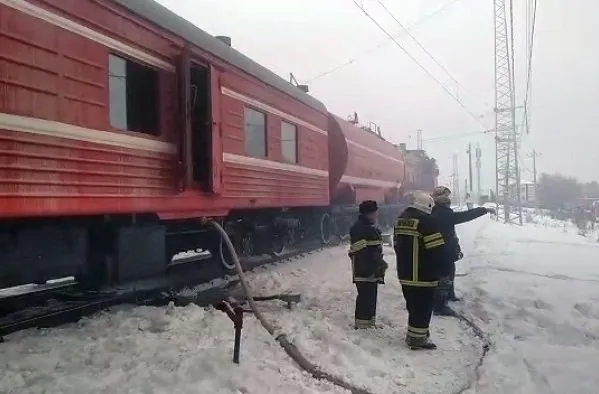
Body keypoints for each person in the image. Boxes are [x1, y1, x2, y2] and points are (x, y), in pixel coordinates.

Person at [430, 186, 495, 315]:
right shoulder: (442, 212)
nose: (448, 199)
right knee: (445, 276)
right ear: (441, 198)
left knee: (450, 272)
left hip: (444, 249)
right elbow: (465, 216)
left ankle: (448, 295)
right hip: (442, 250)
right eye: (446, 196)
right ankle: (440, 306)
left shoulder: (438, 211)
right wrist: (483, 210)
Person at [394, 191, 447, 350]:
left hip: (405, 273)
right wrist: (444, 270)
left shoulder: (401, 219)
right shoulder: (426, 222)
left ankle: (416, 333)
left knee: (413, 305)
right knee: (424, 306)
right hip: (424, 273)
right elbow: (436, 249)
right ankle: (417, 339)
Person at [348, 200, 388, 329]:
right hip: (364, 270)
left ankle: (369, 323)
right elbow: (360, 252)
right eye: (374, 212)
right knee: (365, 296)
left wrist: (379, 265)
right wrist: (373, 267)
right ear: (367, 214)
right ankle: (362, 325)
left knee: (371, 295)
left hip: (371, 268)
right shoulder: (359, 228)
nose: (376, 215)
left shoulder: (368, 227)